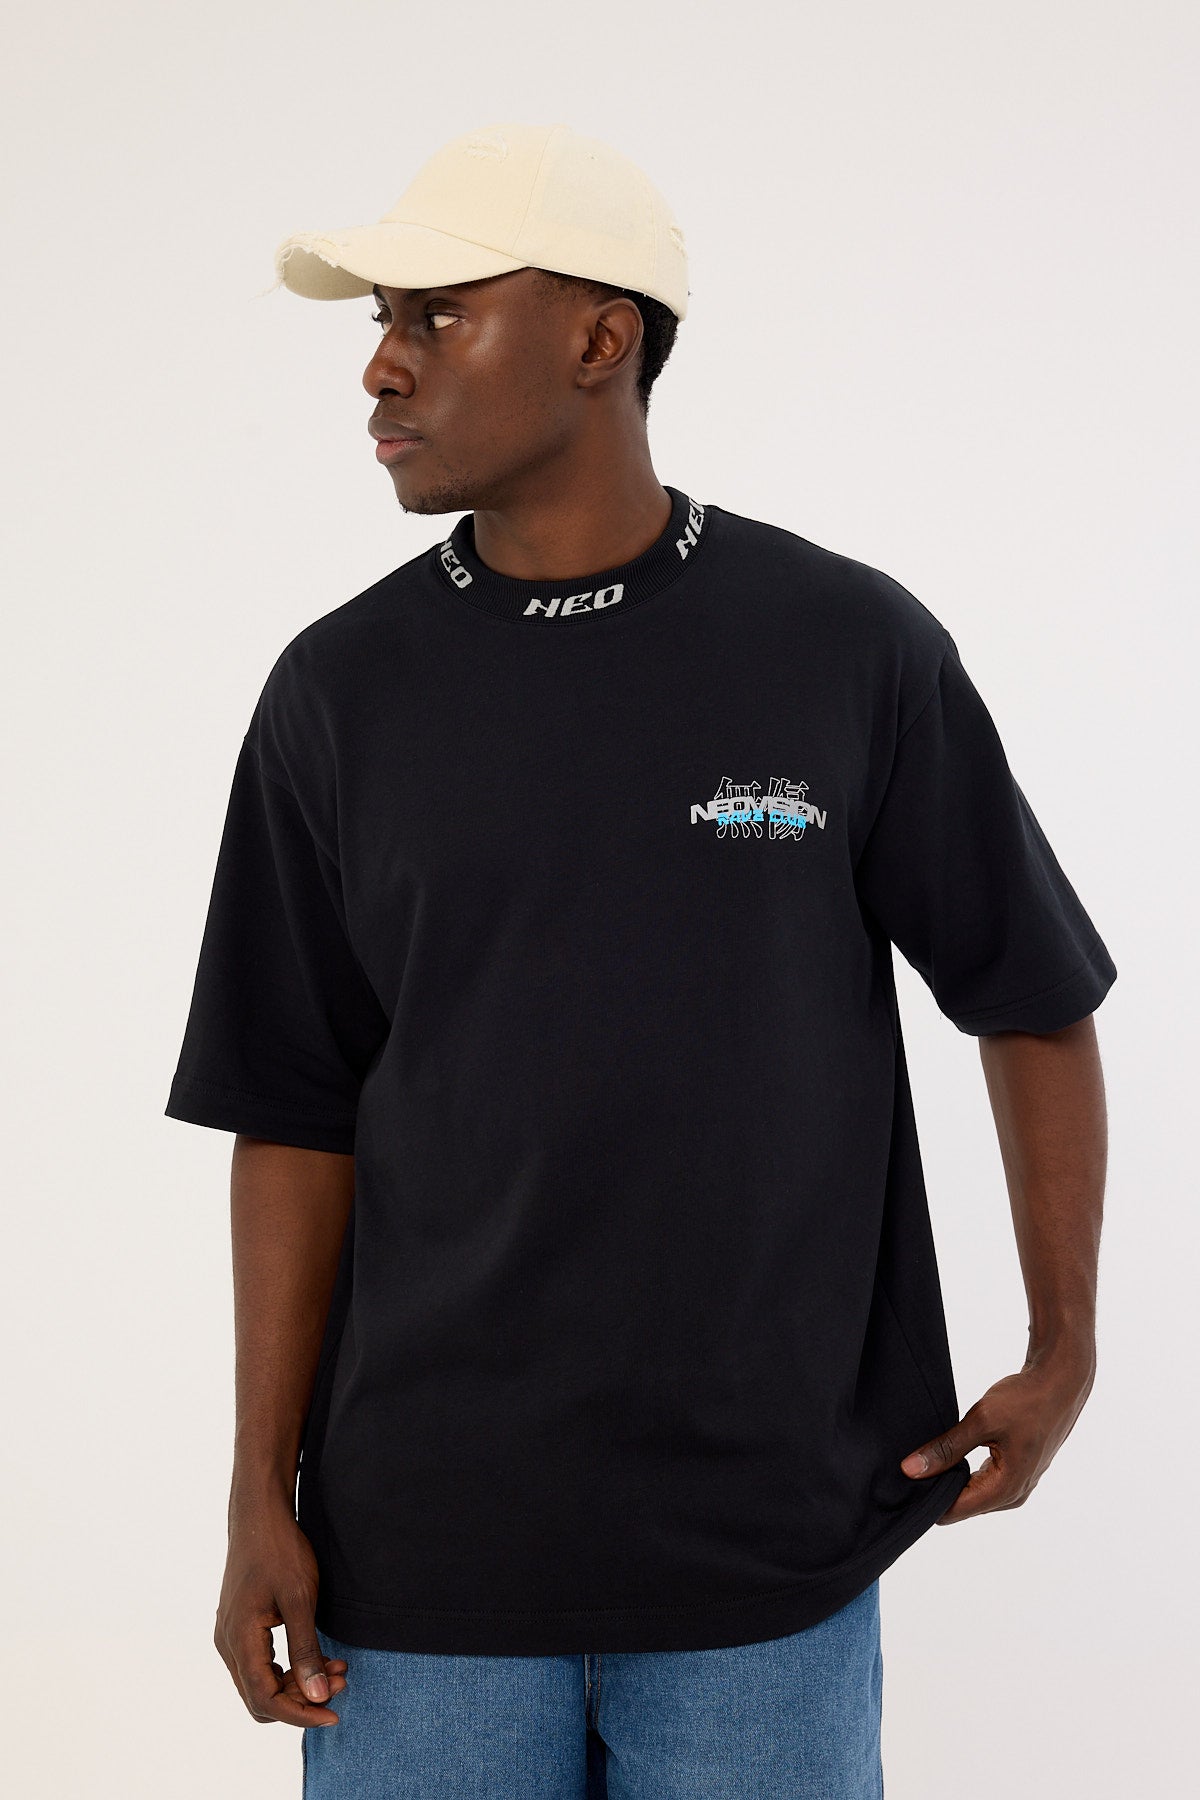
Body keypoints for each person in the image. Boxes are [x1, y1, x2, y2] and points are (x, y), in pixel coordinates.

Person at [164, 121, 1117, 1799]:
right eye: (381, 322)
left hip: (770, 1564)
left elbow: (1030, 996)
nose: (382, 367)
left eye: (439, 315)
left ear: (603, 337)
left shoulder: (845, 646)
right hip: (421, 1573)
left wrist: (1065, 1347)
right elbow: (293, 1111)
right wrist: (258, 1490)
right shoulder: (338, 693)